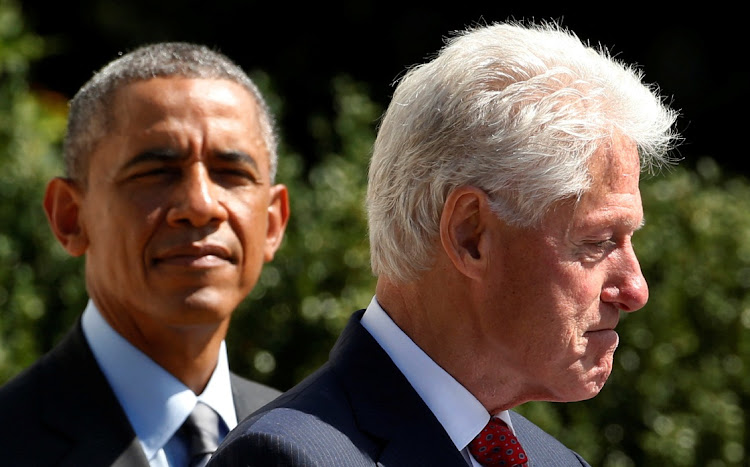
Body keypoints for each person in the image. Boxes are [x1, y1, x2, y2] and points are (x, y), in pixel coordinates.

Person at [208, 20, 681, 467]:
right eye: (598, 241)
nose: (635, 289)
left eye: (628, 239)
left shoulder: (556, 461)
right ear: (470, 234)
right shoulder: (288, 457)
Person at [0, 42, 290, 466]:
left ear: (274, 223)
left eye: (232, 173)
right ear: (70, 217)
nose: (200, 205)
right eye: (156, 173)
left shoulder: (316, 441)